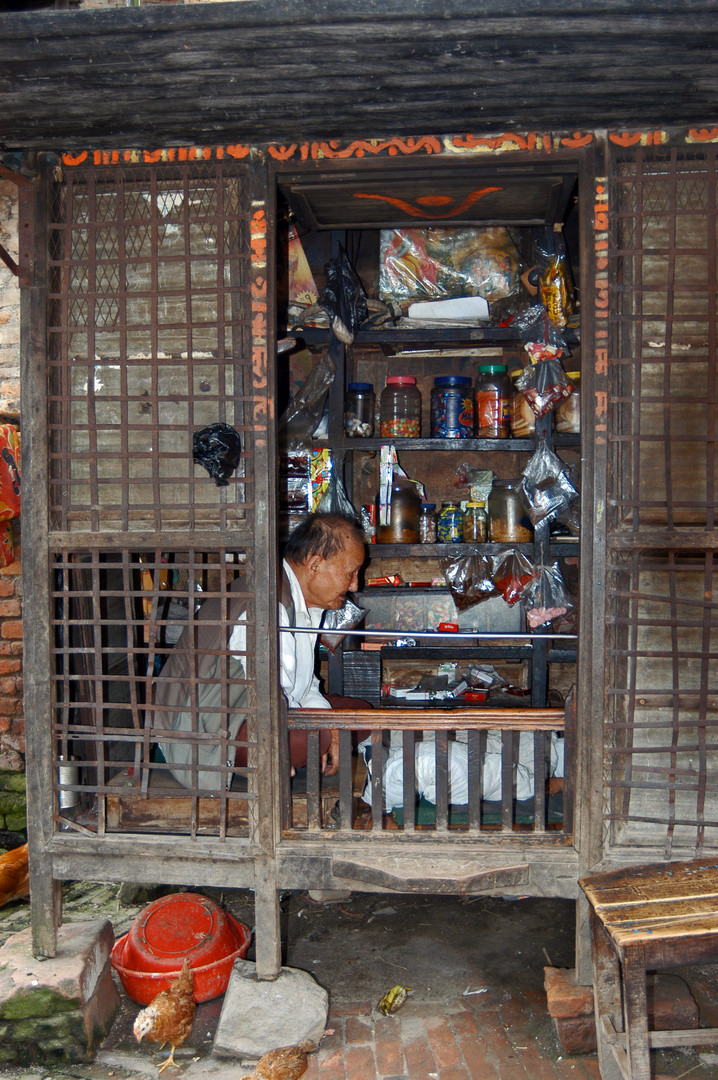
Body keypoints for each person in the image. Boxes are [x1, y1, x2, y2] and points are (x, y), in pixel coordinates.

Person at [153, 512, 366, 790]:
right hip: (206, 729)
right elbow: (270, 701)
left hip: (268, 713)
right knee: (318, 735)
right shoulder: (266, 603)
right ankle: (274, 760)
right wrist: (327, 728)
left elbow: (305, 685)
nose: (355, 585)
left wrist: (331, 722)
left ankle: (302, 749)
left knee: (360, 714)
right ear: (314, 565)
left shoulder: (305, 604)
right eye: (349, 573)